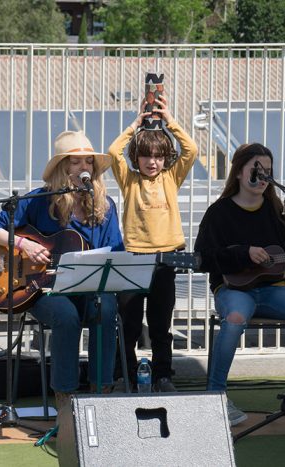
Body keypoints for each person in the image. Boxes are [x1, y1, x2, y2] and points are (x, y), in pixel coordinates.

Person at [194, 143, 285, 426]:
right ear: (239, 172)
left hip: (274, 289)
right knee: (234, 320)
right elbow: (203, 259)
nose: (263, 177)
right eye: (257, 170)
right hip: (233, 290)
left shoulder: (278, 213)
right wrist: (243, 253)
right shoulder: (218, 213)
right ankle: (215, 397)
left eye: (268, 172)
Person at [0, 130, 125, 411]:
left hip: (87, 288)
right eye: (75, 162)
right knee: (66, 315)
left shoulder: (106, 207)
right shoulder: (39, 200)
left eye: (89, 162)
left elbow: (114, 255)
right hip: (41, 288)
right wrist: (24, 245)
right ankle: (65, 398)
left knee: (106, 306)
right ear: (62, 168)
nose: (84, 168)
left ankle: (101, 392)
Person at [108, 94, 198, 392]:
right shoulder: (129, 180)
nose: (152, 162)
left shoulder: (171, 178)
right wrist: (136, 124)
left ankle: (163, 376)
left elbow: (191, 149)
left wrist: (169, 121)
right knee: (129, 325)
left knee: (160, 324)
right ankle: (126, 375)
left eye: (159, 156)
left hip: (165, 259)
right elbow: (113, 152)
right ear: (137, 157)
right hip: (134, 258)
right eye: (146, 156)